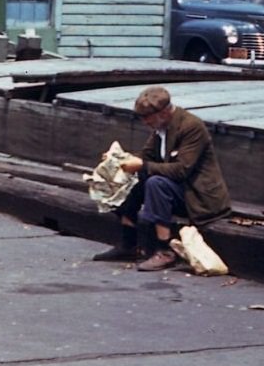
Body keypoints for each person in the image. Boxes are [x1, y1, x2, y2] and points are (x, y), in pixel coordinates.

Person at [93, 84, 231, 272]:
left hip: (198, 196)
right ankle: (128, 243)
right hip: (180, 189)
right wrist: (119, 160)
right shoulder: (161, 128)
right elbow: (146, 156)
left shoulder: (191, 127)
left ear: (164, 112)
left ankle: (165, 250)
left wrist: (142, 165)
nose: (145, 124)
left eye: (148, 120)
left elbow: (182, 170)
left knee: (156, 183)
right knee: (131, 181)